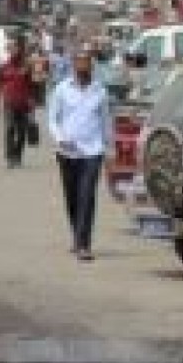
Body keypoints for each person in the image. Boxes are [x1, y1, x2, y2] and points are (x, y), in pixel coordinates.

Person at [49, 46, 111, 262]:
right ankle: (77, 234)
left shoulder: (100, 91)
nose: (83, 65)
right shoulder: (61, 89)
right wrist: (60, 138)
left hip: (93, 151)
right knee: (72, 197)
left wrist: (109, 149)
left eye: (87, 62)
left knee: (87, 196)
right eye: (79, 61)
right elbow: (53, 119)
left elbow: (105, 122)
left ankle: (84, 244)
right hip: (67, 152)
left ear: (91, 66)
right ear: (73, 65)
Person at [0, 39, 38, 168]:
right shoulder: (4, 66)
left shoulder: (26, 66)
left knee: (21, 132)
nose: (13, 50)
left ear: (19, 50)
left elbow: (32, 85)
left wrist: (32, 102)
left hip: (24, 104)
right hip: (9, 103)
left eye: (15, 48)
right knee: (10, 129)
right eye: (10, 48)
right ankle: (10, 157)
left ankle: (18, 156)